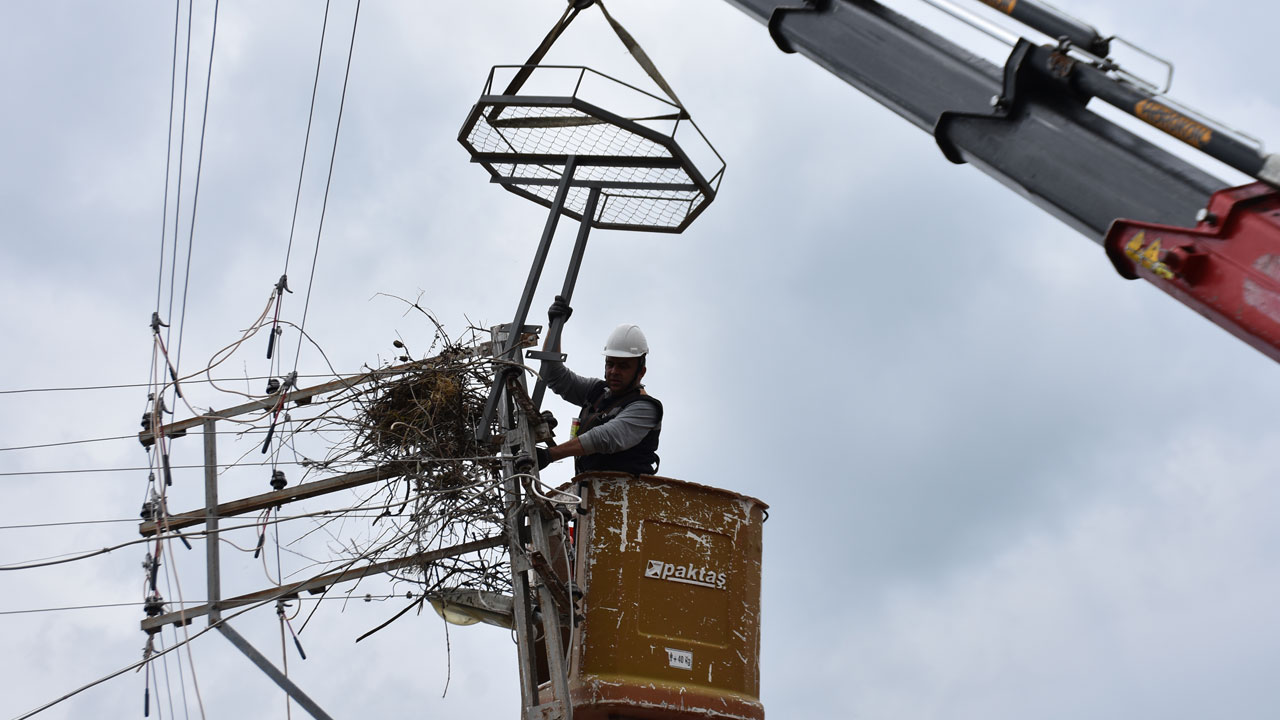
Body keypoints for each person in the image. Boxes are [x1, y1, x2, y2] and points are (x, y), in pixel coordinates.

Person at [536, 296, 662, 476]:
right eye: (610, 364)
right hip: (590, 493)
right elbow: (554, 374)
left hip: (625, 497)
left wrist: (550, 455)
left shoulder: (645, 408)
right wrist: (554, 328)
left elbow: (604, 438)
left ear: (641, 372)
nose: (614, 371)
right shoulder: (598, 392)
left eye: (623, 366)